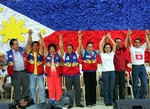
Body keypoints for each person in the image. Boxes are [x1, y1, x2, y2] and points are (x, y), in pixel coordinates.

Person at [62, 31, 84, 108]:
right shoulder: (64, 55)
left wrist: (79, 38)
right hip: (67, 76)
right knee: (69, 91)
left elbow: (80, 46)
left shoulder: (76, 54)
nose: (69, 49)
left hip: (76, 75)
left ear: (72, 49)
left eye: (70, 48)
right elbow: (61, 48)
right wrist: (61, 39)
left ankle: (78, 103)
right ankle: (70, 104)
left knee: (77, 89)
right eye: (68, 48)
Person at [127, 29, 150, 99]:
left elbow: (148, 42)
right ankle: (137, 97)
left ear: (140, 43)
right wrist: (128, 35)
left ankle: (143, 97)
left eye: (138, 42)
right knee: (135, 84)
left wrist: (147, 35)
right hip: (135, 67)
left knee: (144, 83)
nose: (137, 43)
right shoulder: (132, 48)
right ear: (134, 43)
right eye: (136, 42)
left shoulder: (142, 48)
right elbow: (129, 42)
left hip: (142, 67)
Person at [26, 29, 46, 103]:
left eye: (36, 45)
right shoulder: (29, 52)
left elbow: (43, 46)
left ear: (38, 46)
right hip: (31, 74)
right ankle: (33, 103)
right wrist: (29, 35)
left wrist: (40, 37)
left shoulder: (40, 52)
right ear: (32, 46)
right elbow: (28, 44)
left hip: (40, 75)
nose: (35, 46)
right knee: (32, 89)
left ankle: (42, 103)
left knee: (41, 88)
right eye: (33, 45)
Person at [45, 34, 64, 101]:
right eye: (50, 49)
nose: (52, 50)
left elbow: (61, 47)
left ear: (55, 49)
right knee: (51, 89)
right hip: (49, 74)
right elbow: (43, 47)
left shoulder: (58, 54)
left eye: (53, 49)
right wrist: (40, 37)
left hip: (57, 73)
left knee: (58, 88)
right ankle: (52, 101)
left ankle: (59, 101)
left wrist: (60, 39)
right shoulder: (47, 55)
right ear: (49, 50)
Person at [99, 33, 116, 106]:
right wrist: (103, 38)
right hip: (105, 73)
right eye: (106, 48)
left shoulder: (112, 53)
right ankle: (106, 102)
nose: (108, 49)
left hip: (112, 72)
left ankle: (110, 101)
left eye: (109, 47)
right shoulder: (102, 54)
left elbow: (114, 45)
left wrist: (109, 38)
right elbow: (100, 45)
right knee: (105, 88)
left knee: (111, 88)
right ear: (104, 49)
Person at [82, 40, 99, 107]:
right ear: (86, 47)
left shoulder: (95, 52)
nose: (90, 48)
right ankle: (88, 102)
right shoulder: (84, 52)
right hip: (87, 73)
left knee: (93, 87)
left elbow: (101, 49)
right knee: (88, 87)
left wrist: (104, 39)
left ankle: (93, 101)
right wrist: (80, 39)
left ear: (93, 47)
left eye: (91, 47)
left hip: (93, 72)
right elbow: (80, 48)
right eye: (89, 47)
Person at [113, 36, 128, 101]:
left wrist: (127, 35)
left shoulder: (122, 49)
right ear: (115, 43)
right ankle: (115, 100)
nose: (118, 43)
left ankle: (122, 100)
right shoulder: (112, 50)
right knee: (115, 86)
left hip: (122, 70)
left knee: (122, 86)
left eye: (119, 42)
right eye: (117, 42)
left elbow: (126, 43)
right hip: (115, 71)